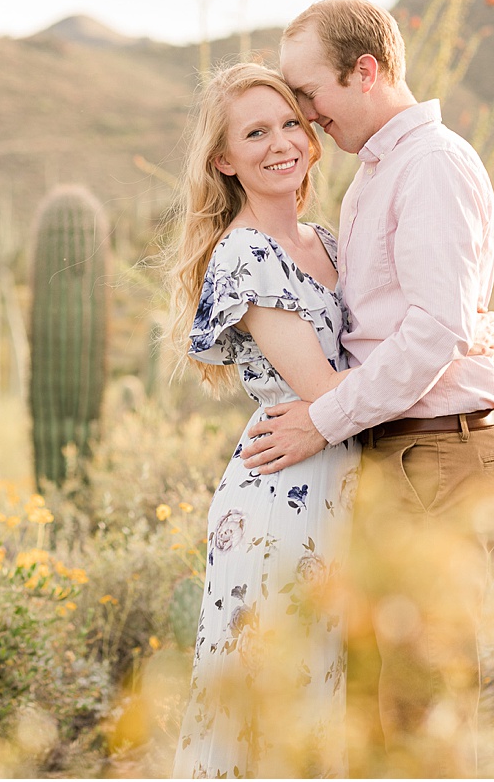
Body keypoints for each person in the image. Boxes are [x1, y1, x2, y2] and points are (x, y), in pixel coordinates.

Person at [239, 0, 494, 777]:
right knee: (368, 702)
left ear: (364, 71)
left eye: (309, 93)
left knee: (418, 705)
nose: (304, 115)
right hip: (395, 455)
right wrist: (462, 332)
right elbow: (409, 323)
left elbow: (431, 330)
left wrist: (323, 418)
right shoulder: (374, 179)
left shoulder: (430, 164)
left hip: (437, 460)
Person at [166, 61, 361, 778]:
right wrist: (445, 357)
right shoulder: (245, 255)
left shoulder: (329, 242)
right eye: (255, 132)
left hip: (339, 492)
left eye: (289, 123)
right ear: (224, 159)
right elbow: (326, 387)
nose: (281, 143)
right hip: (280, 499)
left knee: (321, 701)